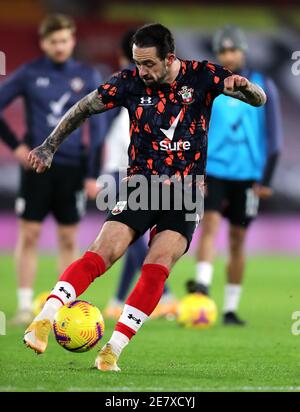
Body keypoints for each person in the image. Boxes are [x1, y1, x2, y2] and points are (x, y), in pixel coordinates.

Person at [24, 23, 266, 371]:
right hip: (141, 188)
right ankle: (44, 319)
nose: (142, 71)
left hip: (185, 195)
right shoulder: (128, 83)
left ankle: (112, 351)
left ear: (169, 58)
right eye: (138, 63)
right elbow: (82, 108)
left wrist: (245, 87)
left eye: (149, 64)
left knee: (157, 268)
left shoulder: (204, 76)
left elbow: (260, 100)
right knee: (102, 252)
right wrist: (49, 146)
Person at [0, 14, 106, 325]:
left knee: (68, 237)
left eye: (64, 40)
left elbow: (97, 129)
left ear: (73, 40)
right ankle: (23, 305)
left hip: (73, 166)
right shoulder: (29, 74)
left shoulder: (87, 75)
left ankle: (64, 305)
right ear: (44, 42)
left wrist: (92, 172)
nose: (59, 46)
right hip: (37, 167)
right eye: (53, 41)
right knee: (30, 234)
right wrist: (17, 146)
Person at [189, 26, 282, 325]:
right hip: (214, 170)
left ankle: (229, 308)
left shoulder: (262, 84)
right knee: (210, 225)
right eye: (223, 51)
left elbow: (274, 136)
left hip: (247, 175)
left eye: (233, 50)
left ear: (242, 51)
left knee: (238, 239)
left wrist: (266, 179)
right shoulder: (211, 86)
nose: (228, 55)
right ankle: (202, 289)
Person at [103, 30, 177, 321]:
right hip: (121, 170)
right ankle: (162, 297)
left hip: (124, 169)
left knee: (131, 238)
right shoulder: (129, 89)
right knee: (130, 239)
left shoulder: (132, 89)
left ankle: (122, 299)